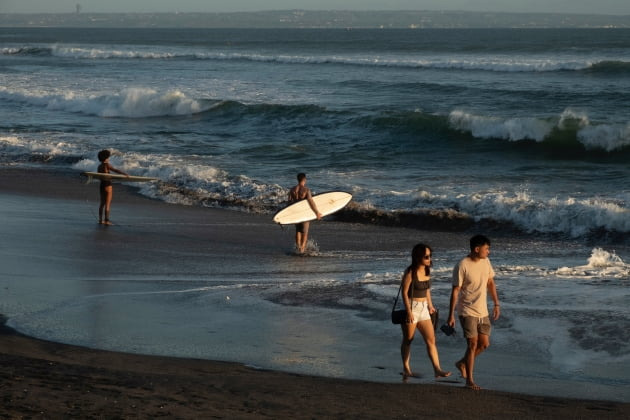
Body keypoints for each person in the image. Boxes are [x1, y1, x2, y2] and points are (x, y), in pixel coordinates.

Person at [447, 234, 501, 390]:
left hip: (482, 310)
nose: (488, 252)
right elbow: (455, 290)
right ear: (477, 249)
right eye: (486, 249)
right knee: (472, 344)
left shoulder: (486, 261)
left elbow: (490, 282)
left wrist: (496, 304)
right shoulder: (462, 265)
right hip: (467, 310)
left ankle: (462, 363)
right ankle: (469, 380)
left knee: (484, 344)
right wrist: (451, 314)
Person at [400, 243, 451, 380]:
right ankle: (406, 368)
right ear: (418, 257)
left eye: (430, 256)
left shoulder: (427, 271)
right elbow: (404, 293)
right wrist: (409, 312)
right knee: (408, 340)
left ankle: (437, 369)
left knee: (431, 340)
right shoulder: (411, 272)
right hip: (412, 307)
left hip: (423, 309)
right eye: (426, 256)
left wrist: (430, 305)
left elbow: (427, 290)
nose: (429, 259)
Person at [288, 173, 322, 253]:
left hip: (296, 212)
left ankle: (298, 247)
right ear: (304, 180)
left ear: (298, 179)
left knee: (298, 230)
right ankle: (302, 249)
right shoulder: (306, 190)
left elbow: (289, 203)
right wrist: (317, 212)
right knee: (305, 231)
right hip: (304, 212)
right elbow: (311, 202)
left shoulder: (292, 190)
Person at [97, 149, 128, 225]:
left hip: (102, 185)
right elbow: (115, 170)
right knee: (107, 204)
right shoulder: (107, 165)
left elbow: (100, 176)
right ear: (106, 158)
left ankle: (101, 220)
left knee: (102, 204)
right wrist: (124, 174)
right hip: (108, 186)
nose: (108, 158)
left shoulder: (99, 166)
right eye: (108, 157)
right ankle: (107, 221)